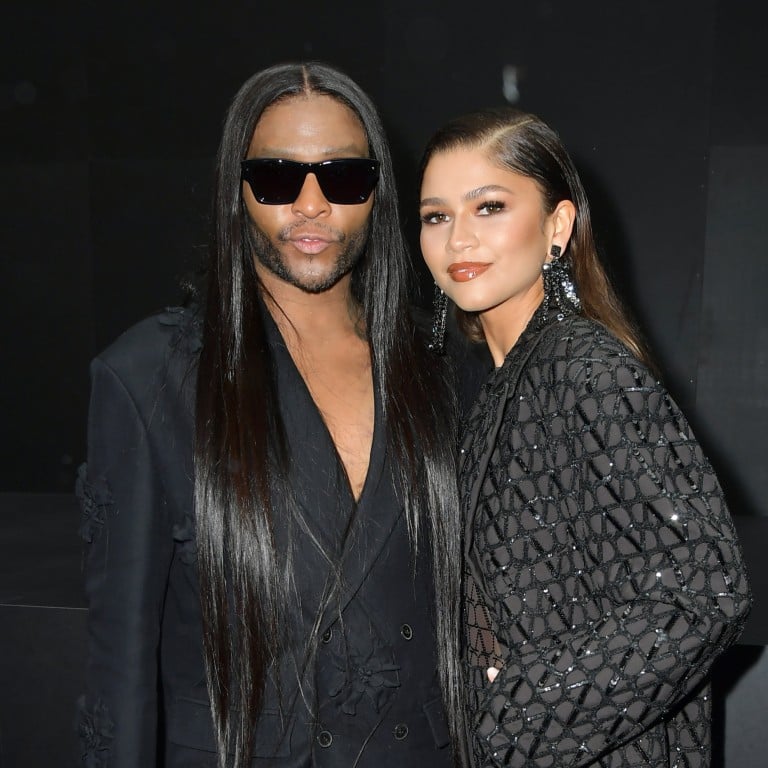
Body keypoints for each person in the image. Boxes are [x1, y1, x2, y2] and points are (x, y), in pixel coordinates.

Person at [75, 62, 466, 768]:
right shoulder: (150, 376)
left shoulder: (439, 366)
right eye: (277, 177)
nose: (311, 205)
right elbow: (119, 668)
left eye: (343, 176)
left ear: (377, 192)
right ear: (237, 189)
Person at [417, 107, 752, 768]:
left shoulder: (586, 370)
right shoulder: (499, 383)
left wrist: (517, 713)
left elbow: (707, 590)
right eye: (436, 216)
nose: (459, 239)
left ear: (558, 226)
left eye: (488, 207)